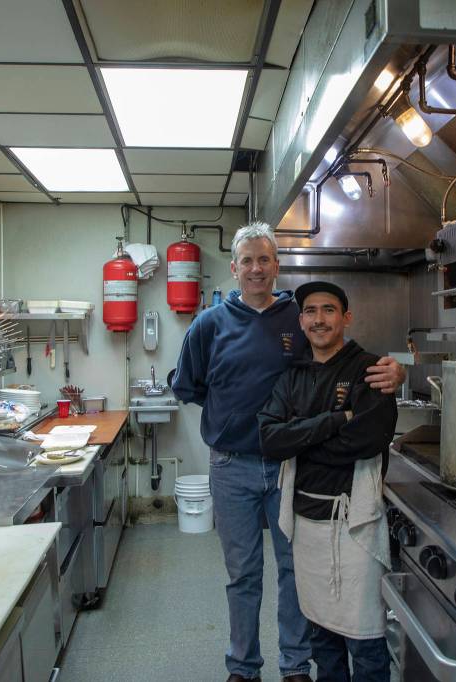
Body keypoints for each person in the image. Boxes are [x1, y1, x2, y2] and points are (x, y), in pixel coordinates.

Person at [171, 222, 404, 682]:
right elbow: (189, 386)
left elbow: (336, 353)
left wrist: (394, 372)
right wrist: (232, 415)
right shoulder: (208, 324)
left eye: (265, 260)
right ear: (234, 268)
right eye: (247, 261)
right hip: (231, 465)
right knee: (243, 574)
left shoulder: (297, 317)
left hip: (288, 468)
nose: (256, 269)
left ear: (276, 266)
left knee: (293, 570)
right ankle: (243, 666)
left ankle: (295, 665)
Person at [258, 281, 396, 682]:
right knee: (322, 640)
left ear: (345, 317)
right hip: (307, 525)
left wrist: (299, 439)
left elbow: (368, 440)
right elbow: (269, 439)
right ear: (301, 321)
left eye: (329, 310)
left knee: (366, 640)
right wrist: (336, 421)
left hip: (354, 525)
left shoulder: (369, 369)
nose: (320, 319)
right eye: (311, 311)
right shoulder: (292, 376)